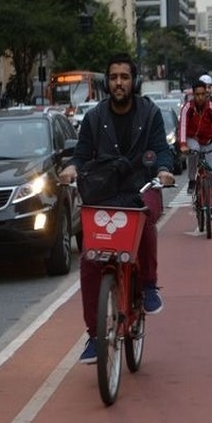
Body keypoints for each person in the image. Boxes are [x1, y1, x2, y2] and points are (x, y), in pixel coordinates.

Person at [58, 53, 175, 364]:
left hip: (141, 188)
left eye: (124, 77)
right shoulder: (95, 118)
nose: (119, 83)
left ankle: (148, 286)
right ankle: (95, 336)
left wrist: (163, 169)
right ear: (107, 82)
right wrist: (71, 168)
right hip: (105, 193)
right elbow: (81, 155)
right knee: (89, 258)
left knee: (145, 219)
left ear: (133, 81)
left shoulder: (149, 113)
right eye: (113, 78)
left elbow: (162, 149)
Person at [178, 79, 212, 221]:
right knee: (194, 150)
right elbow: (182, 126)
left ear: (207, 94)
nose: (200, 97)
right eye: (197, 94)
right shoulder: (187, 108)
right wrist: (182, 144)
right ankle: (192, 180)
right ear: (193, 95)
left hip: (209, 142)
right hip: (192, 139)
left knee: (211, 174)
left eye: (203, 94)